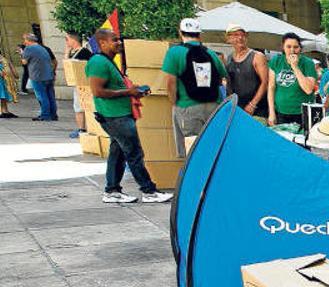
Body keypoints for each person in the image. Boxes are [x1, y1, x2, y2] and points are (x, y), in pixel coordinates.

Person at [85, 29, 171, 204]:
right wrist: (128, 92)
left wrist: (134, 92)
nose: (119, 43)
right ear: (102, 43)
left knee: (117, 154)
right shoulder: (98, 62)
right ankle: (149, 191)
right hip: (115, 116)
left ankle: (112, 190)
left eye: (119, 40)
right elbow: (97, 91)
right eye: (114, 40)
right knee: (134, 153)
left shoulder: (108, 62)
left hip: (119, 115)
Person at [163, 19, 228, 138]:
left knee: (192, 145)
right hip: (213, 107)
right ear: (199, 34)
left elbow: (170, 82)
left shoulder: (175, 52)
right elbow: (222, 77)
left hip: (188, 106)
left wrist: (174, 102)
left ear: (180, 33)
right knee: (213, 144)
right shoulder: (211, 53)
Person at [267, 33, 318, 126]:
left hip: (302, 112)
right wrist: (271, 112)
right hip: (281, 111)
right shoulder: (276, 61)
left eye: (296, 47)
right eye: (288, 47)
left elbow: (308, 89)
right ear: (283, 47)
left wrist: (295, 67)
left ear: (300, 48)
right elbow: (271, 87)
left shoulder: (308, 63)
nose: (292, 50)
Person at [224, 24, 270, 122]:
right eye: (236, 35)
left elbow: (265, 83)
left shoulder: (257, 56)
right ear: (228, 38)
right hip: (237, 110)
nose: (240, 38)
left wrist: (252, 104)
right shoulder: (229, 58)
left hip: (258, 111)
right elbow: (229, 84)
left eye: (243, 35)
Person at [20, 34, 56, 121]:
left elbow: (24, 62)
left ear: (29, 40)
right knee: (50, 96)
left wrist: (22, 53)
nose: (24, 42)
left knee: (42, 96)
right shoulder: (42, 48)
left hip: (37, 76)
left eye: (25, 40)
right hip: (49, 76)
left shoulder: (29, 49)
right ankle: (53, 115)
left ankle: (45, 115)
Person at [65, 33, 94, 137]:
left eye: (67, 39)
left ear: (73, 40)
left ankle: (83, 128)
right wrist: (67, 52)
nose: (66, 42)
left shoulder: (83, 52)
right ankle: (81, 128)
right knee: (78, 107)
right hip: (78, 84)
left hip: (84, 84)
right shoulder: (75, 52)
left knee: (82, 107)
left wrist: (67, 52)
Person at [0, 53, 15, 118]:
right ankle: (2, 111)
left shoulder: (3, 59)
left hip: (3, 80)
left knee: (3, 96)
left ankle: (5, 111)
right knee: (1, 95)